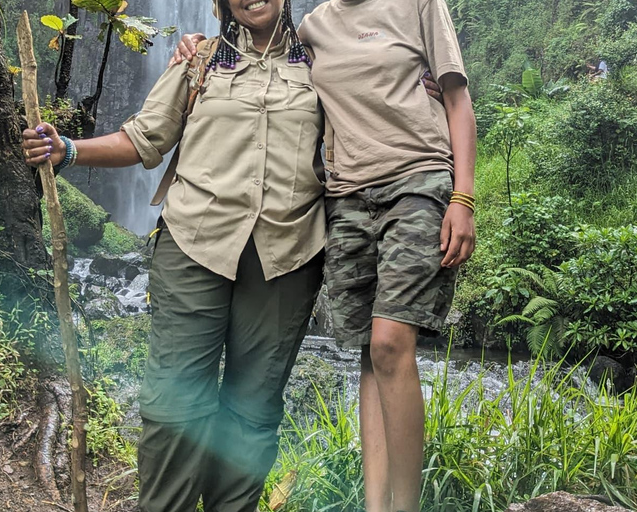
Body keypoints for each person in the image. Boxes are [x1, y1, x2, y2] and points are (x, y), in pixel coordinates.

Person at [172, 0, 477, 510]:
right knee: (367, 354)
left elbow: (456, 97)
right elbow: (261, 56)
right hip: (346, 197)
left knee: (389, 343)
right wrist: (194, 47)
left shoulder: (419, 4)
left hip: (417, 182)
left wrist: (463, 198)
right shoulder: (312, 26)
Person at [22, 0, 327, 510]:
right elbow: (143, 139)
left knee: (253, 410)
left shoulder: (321, 63)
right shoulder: (198, 60)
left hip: (288, 254)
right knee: (174, 405)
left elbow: (373, 97)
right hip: (195, 244)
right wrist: (67, 150)